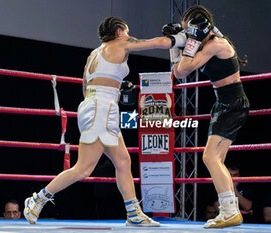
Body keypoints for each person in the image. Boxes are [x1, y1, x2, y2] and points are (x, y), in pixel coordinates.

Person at [23, 16, 186, 226]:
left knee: (123, 161)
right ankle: (37, 199)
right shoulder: (120, 42)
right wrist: (182, 37)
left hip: (99, 105)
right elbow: (157, 42)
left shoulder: (94, 54)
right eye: (126, 31)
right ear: (119, 31)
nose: (128, 35)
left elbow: (85, 87)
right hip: (101, 108)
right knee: (84, 168)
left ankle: (133, 214)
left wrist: (115, 89)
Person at [166, 5, 250, 228]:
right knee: (215, 159)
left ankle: (230, 211)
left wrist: (189, 42)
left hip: (232, 103)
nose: (188, 36)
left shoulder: (216, 45)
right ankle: (229, 211)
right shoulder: (209, 42)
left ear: (200, 28)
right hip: (223, 103)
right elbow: (179, 72)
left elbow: (183, 69)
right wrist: (175, 44)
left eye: (189, 31)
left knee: (209, 157)